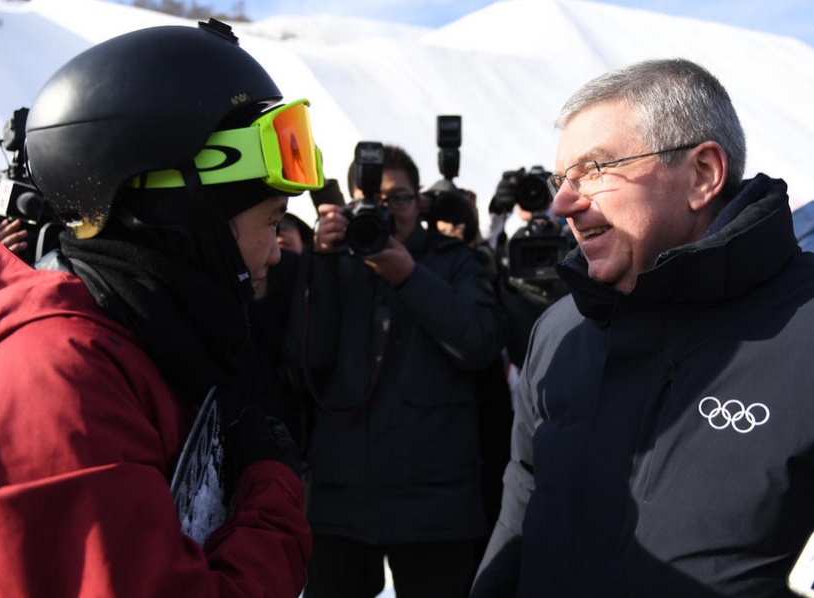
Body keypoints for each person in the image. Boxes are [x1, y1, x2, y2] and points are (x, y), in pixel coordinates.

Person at [0, 19, 323, 597]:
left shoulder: (147, 345)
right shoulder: (60, 379)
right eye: (271, 223)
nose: (277, 253)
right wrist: (270, 503)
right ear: (191, 219)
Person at [471, 57, 814, 597]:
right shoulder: (561, 329)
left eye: (596, 169)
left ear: (702, 175)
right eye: (562, 178)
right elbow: (520, 515)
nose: (563, 203)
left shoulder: (805, 324)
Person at [288, 144, 505, 598]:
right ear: (349, 204)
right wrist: (323, 261)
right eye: (373, 201)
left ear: (419, 200)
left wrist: (410, 277)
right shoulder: (330, 261)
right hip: (339, 498)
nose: (387, 212)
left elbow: (480, 345)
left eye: (399, 199)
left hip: (435, 505)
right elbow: (307, 358)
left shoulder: (453, 261)